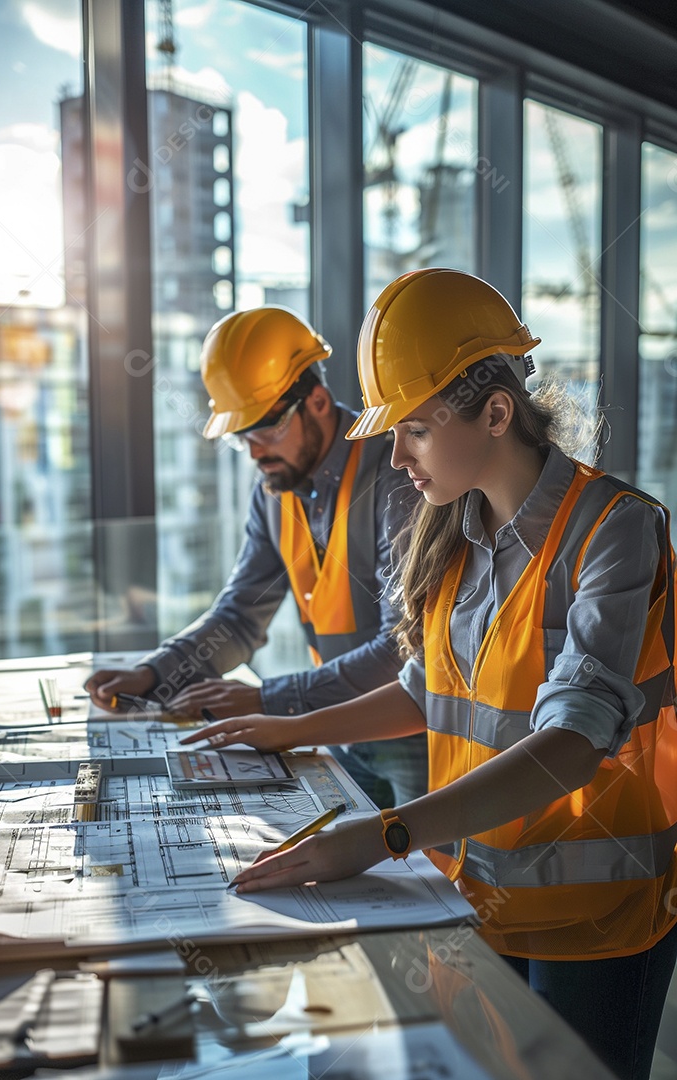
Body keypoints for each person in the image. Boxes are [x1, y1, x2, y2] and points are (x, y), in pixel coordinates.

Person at [192, 269, 677, 1080]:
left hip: (595, 918)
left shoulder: (617, 531)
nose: (395, 456)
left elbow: (572, 743)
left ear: (496, 414)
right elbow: (428, 691)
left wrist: (386, 834)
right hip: (478, 894)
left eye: (414, 429)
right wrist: (290, 729)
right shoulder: (452, 531)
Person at [85, 305, 426, 806]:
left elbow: (403, 649)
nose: (254, 450)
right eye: (241, 434)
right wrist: (155, 674)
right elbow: (239, 617)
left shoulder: (396, 477)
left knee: (424, 851)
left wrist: (267, 699)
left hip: (411, 728)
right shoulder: (274, 489)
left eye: (266, 428)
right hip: (335, 728)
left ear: (317, 401)